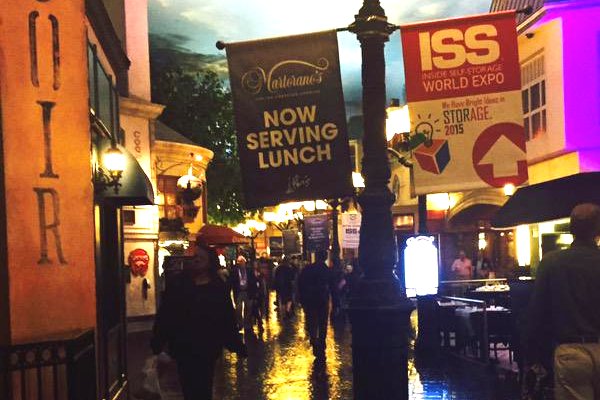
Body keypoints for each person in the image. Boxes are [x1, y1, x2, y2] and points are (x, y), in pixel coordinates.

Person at [150, 243, 247, 400]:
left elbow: (226, 317)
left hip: (207, 346)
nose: (196, 260)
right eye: (194, 257)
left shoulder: (217, 286)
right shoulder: (178, 284)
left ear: (209, 262)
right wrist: (158, 340)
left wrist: (235, 343)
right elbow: (166, 314)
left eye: (200, 258)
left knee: (204, 386)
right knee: (188, 387)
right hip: (184, 346)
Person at [526, 203, 600, 399]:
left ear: (571, 228)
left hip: (570, 351)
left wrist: (535, 356)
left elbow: (537, 312)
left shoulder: (552, 262)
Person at [298, 249, 333, 360]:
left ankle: (314, 342)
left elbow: (300, 286)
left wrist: (302, 301)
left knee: (312, 323)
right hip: (322, 300)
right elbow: (332, 286)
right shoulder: (326, 270)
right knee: (322, 324)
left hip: (310, 301)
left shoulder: (307, 269)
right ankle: (321, 345)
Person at [229, 255, 257, 331]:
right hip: (239, 292)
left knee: (249, 308)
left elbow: (253, 281)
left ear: (245, 262)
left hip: (248, 292)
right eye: (240, 262)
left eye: (243, 262)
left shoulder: (249, 271)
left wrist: (254, 292)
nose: (241, 263)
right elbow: (231, 282)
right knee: (238, 309)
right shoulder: (234, 271)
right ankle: (240, 323)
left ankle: (246, 322)